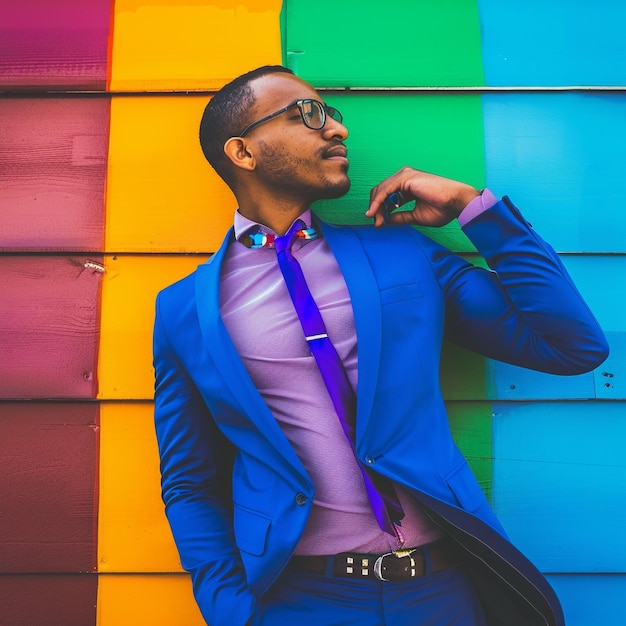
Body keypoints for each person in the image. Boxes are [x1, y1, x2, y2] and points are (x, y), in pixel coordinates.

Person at [152, 65, 608, 626]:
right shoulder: (184, 311)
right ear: (243, 152)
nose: (338, 130)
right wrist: (230, 610)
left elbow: (570, 346)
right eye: (309, 115)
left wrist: (476, 211)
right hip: (299, 600)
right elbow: (189, 481)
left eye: (334, 116)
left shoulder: (404, 254)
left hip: (443, 590)